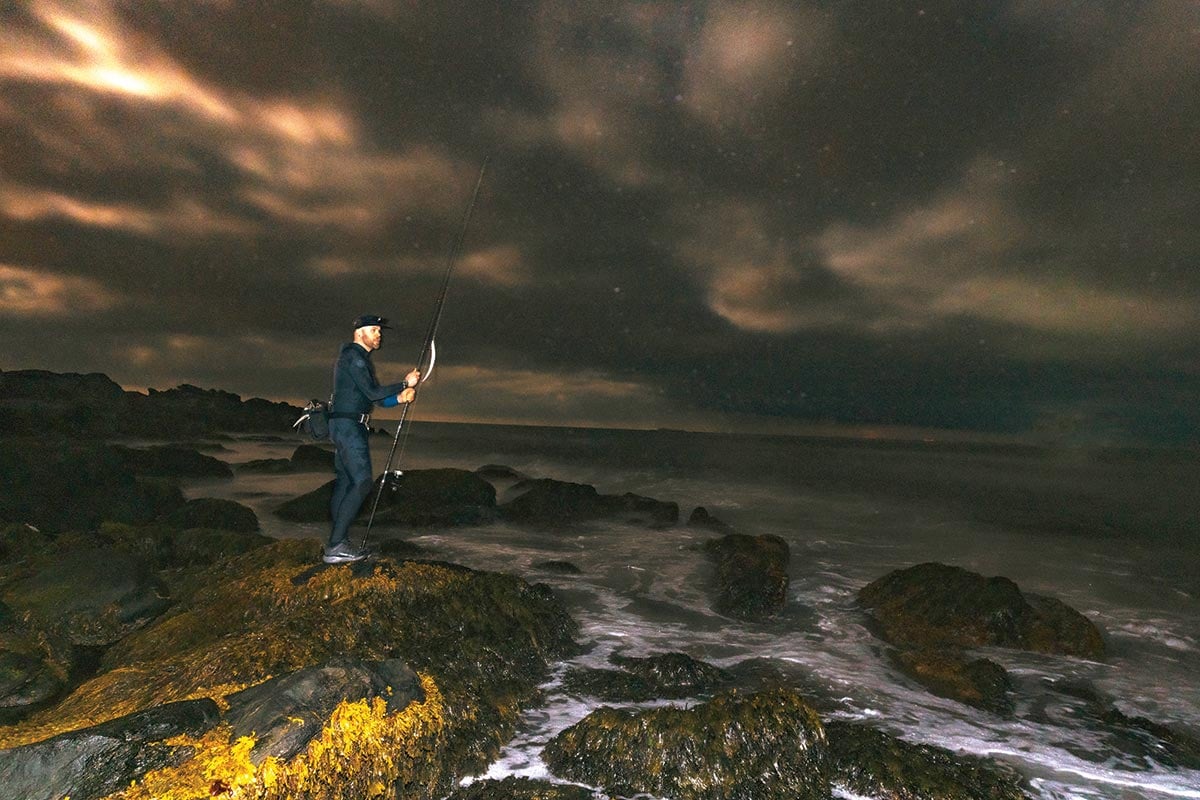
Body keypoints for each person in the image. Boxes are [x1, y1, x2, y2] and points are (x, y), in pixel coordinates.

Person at [323, 314, 420, 564]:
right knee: (363, 482)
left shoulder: (356, 359)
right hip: (349, 427)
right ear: (359, 333)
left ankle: (338, 540)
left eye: (380, 330)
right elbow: (373, 392)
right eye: (374, 329)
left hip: (343, 424)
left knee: (346, 482)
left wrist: (399, 399)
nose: (379, 334)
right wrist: (403, 383)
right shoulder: (354, 358)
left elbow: (373, 399)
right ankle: (335, 546)